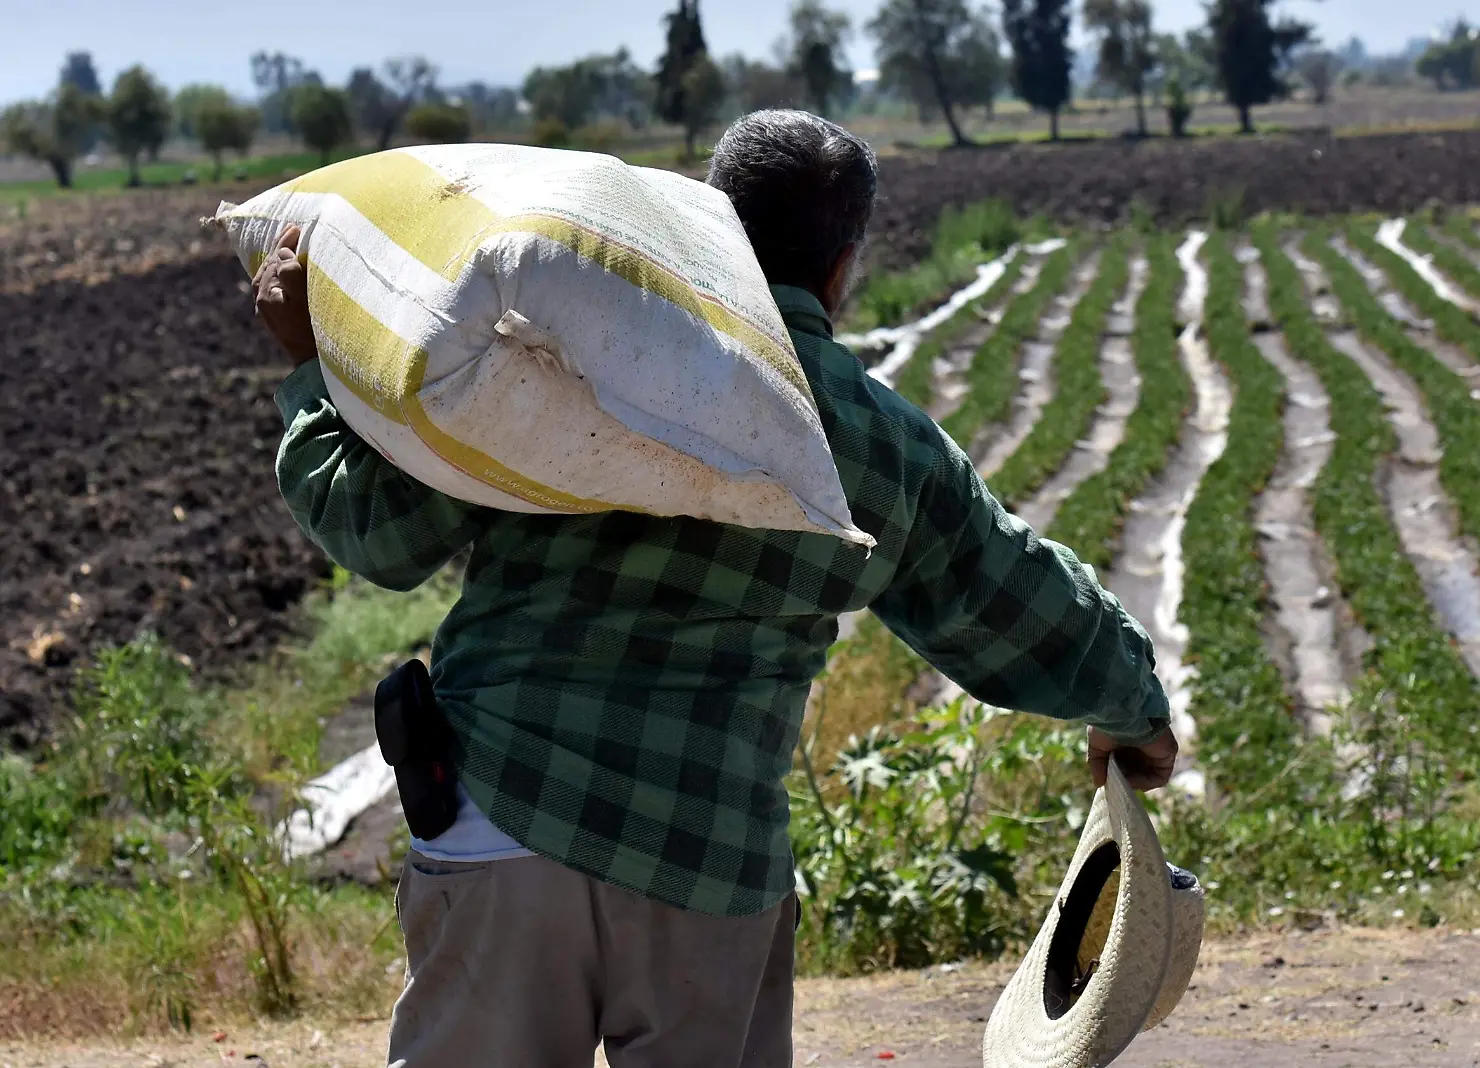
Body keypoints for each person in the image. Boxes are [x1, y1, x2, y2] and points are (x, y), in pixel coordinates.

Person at [251, 109, 1177, 1068]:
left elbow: (383, 534)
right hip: (706, 859)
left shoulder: (550, 354)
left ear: (705, 219)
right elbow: (1012, 597)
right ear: (844, 263)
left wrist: (311, 380)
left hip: (505, 818)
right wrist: (1134, 711)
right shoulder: (880, 444)